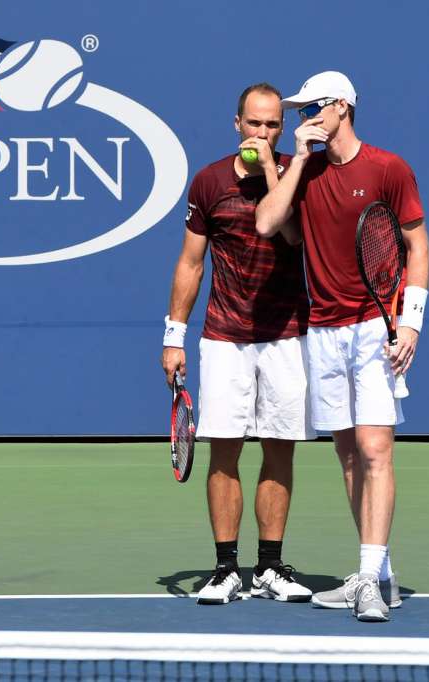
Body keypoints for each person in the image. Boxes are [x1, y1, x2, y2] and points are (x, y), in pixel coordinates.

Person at [256, 71, 429, 622]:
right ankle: (376, 573)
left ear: (340, 107)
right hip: (323, 332)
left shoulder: (388, 168)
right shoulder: (300, 172)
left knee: (377, 449)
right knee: (348, 453)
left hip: (376, 328)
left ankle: (372, 581)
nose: (301, 116)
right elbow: (266, 224)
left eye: (311, 107)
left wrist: (410, 323)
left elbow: (417, 245)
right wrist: (298, 162)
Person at [161, 83, 314, 606]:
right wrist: (173, 336)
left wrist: (273, 170)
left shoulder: (299, 173)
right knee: (223, 451)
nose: (263, 133)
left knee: (279, 448)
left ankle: (270, 566)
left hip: (287, 337)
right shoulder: (208, 182)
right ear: (237, 124)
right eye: (255, 123)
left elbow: (291, 235)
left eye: (273, 125)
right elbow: (190, 262)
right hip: (224, 337)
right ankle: (226, 568)